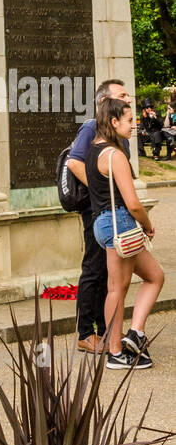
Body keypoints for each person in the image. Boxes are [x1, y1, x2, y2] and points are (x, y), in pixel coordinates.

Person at [86, 97, 163, 368]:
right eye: (129, 120)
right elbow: (132, 202)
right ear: (114, 121)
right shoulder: (115, 155)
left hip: (102, 224)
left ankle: (135, 334)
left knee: (154, 276)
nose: (134, 125)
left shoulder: (94, 149)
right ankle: (116, 352)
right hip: (120, 223)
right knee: (116, 288)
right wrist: (147, 224)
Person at [66, 78, 133, 354]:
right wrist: (99, 195)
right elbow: (74, 161)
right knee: (94, 268)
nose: (128, 98)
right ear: (105, 102)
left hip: (114, 209)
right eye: (122, 95)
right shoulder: (92, 127)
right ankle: (85, 333)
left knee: (110, 270)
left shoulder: (117, 128)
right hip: (99, 209)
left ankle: (108, 332)